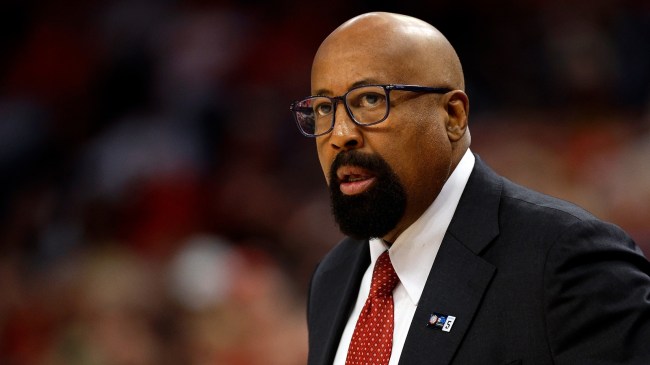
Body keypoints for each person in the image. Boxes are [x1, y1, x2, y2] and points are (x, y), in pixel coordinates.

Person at [290, 12, 650, 365]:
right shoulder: (332, 278)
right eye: (323, 109)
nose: (340, 135)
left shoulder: (564, 261)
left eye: (370, 100)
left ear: (453, 116)